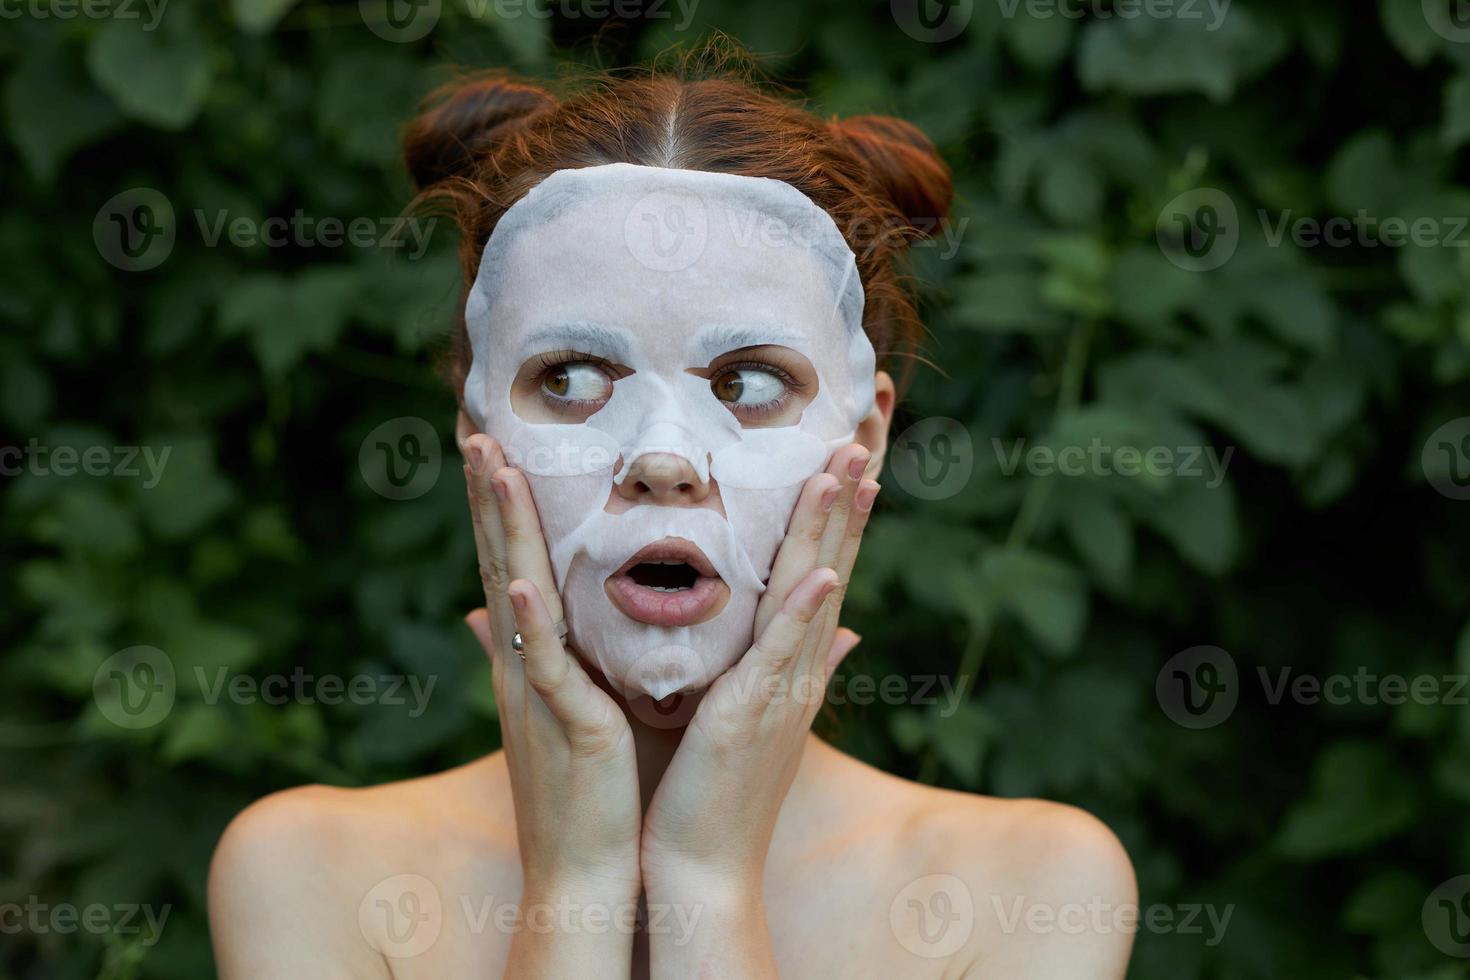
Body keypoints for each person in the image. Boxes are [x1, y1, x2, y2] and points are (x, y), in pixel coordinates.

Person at [208, 54, 1136, 979]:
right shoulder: (313, 875)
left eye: (749, 384)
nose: (662, 461)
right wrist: (575, 886)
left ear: (866, 439)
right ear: (475, 431)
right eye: (569, 380)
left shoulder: (1028, 892)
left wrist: (707, 884)